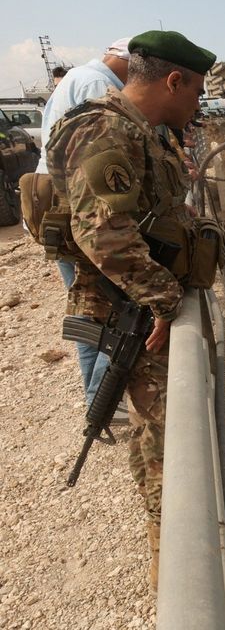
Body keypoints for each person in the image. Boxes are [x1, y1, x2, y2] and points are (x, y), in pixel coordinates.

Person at [45, 29, 216, 592]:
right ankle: (177, 572)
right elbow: (104, 234)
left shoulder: (145, 132)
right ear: (173, 80)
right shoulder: (105, 129)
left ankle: (173, 555)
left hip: (139, 307)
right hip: (131, 314)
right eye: (195, 91)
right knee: (164, 443)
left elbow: (153, 212)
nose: (198, 104)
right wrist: (164, 298)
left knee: (161, 434)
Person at [35, 36, 132, 407]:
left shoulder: (77, 78)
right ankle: (103, 400)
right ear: (122, 61)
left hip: (59, 209)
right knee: (114, 307)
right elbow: (101, 166)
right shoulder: (99, 86)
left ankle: (97, 399)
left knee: (88, 311)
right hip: (77, 210)